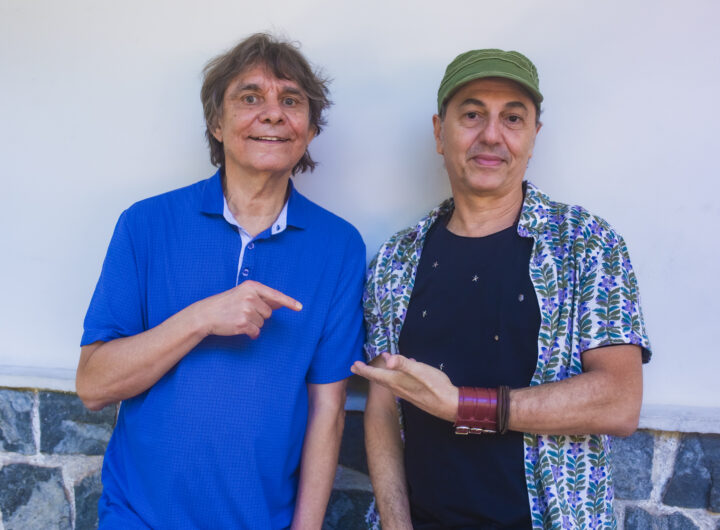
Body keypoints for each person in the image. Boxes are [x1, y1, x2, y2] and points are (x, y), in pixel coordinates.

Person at [352, 49, 651, 529]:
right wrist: (395, 522)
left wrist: (464, 406)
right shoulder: (396, 259)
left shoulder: (586, 244)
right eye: (472, 115)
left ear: (533, 137)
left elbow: (619, 401)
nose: (491, 135)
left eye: (512, 118)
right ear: (439, 133)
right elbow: (384, 407)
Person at [77, 33, 365, 529]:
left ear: (311, 128)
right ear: (216, 122)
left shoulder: (339, 246)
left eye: (291, 100)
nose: (272, 114)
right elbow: (93, 386)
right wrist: (202, 317)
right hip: (139, 518)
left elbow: (328, 409)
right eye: (250, 98)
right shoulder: (145, 225)